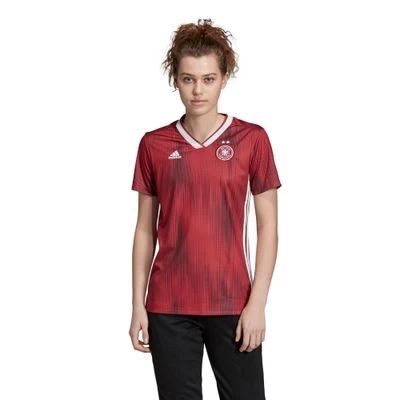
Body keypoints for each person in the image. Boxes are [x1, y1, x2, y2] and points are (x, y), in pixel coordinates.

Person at [129, 18, 282, 400]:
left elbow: (268, 228)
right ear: (175, 79)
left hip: (233, 302)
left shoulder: (252, 140)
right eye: (188, 79)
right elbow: (145, 229)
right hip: (168, 306)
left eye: (208, 79)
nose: (198, 90)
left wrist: (257, 303)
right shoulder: (153, 145)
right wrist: (137, 305)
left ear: (224, 78)